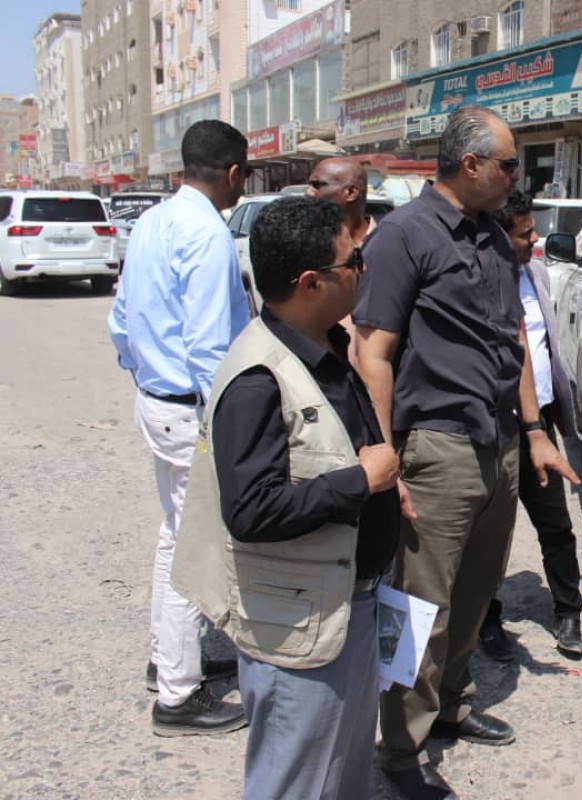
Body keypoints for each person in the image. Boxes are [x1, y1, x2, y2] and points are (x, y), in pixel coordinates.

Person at [354, 104, 577, 800]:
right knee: (418, 604)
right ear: (472, 164)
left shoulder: (490, 236)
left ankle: (450, 703)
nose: (518, 176)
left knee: (476, 593)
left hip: (498, 443)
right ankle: (399, 747)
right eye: (510, 164)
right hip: (436, 447)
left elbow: (513, 341)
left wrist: (535, 431)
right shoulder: (403, 236)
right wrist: (383, 454)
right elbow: (373, 351)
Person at [170, 196, 406, 798]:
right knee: (295, 783)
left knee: (342, 773)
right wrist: (361, 482)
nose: (364, 270)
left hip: (347, 603)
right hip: (300, 625)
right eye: (354, 261)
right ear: (310, 282)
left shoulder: (324, 344)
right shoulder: (257, 377)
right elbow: (251, 511)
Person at [107, 119, 251, 736]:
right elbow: (212, 349)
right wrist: (232, 428)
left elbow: (120, 319)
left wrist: (146, 376)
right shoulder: (207, 235)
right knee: (192, 545)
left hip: (157, 401)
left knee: (176, 536)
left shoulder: (153, 223)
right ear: (234, 174)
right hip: (190, 410)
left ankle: (171, 662)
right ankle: (176, 694)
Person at [478, 188, 582, 661]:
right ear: (499, 237)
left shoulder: (536, 272)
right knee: (488, 534)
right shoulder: (476, 281)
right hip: (493, 423)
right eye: (525, 234)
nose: (535, 240)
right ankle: (486, 621)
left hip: (539, 422)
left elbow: (545, 348)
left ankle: (568, 610)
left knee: (556, 524)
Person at [305, 156, 375, 362]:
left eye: (318, 185)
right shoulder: (308, 249)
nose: (308, 193)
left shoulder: (389, 246)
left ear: (351, 192)